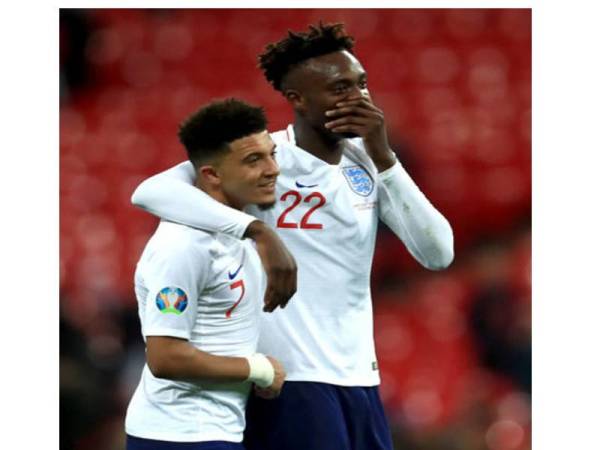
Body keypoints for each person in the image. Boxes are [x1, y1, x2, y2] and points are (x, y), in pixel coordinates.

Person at [131, 23, 454, 450]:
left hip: (360, 376)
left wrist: (384, 155)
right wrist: (257, 229)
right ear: (297, 99)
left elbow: (439, 253)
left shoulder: (368, 167)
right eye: (339, 88)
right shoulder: (263, 161)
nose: (356, 98)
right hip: (291, 379)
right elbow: (150, 191)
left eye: (361, 85)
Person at [125, 98, 286, 450]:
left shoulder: (236, 232)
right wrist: (257, 369)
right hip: (180, 433)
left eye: (272, 154)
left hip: (216, 429)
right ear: (212, 174)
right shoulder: (183, 246)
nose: (273, 169)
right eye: (253, 160)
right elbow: (165, 357)